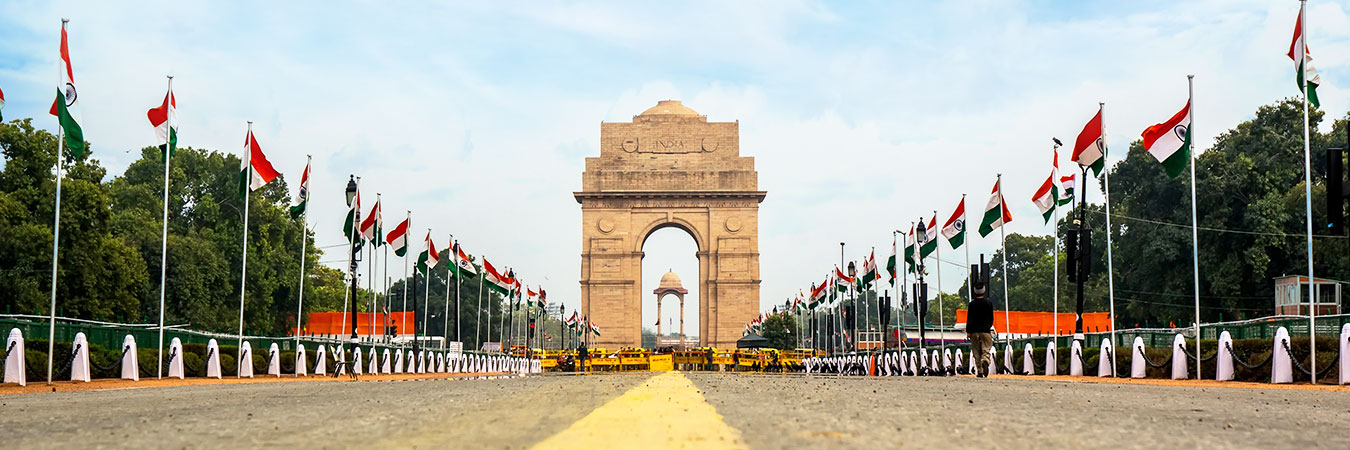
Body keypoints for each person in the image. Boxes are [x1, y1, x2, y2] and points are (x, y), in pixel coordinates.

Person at [966, 279, 996, 378]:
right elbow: (991, 318)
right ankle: (985, 360)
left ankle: (979, 371)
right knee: (986, 349)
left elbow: (969, 319)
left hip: (974, 331)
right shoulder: (989, 303)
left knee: (976, 351)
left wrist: (968, 331)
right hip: (985, 331)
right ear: (984, 290)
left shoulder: (972, 304)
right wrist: (988, 326)